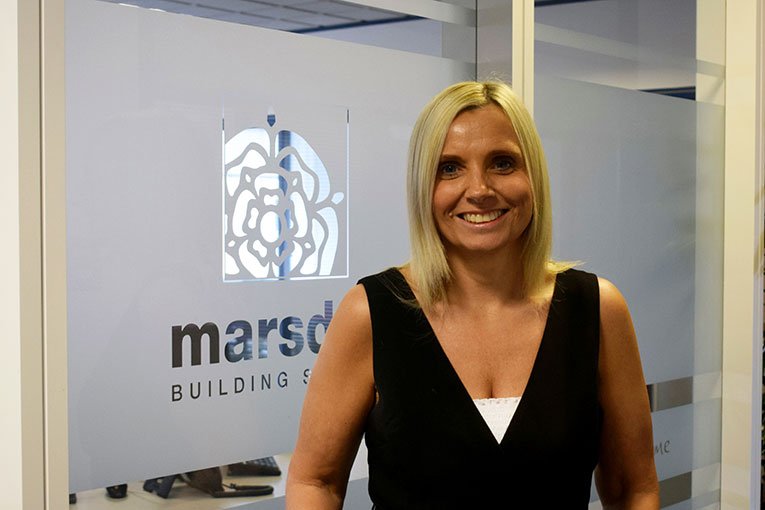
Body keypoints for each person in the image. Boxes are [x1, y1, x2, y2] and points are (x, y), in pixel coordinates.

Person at [286, 81, 659, 509]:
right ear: (423, 186)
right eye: (449, 168)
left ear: (534, 177)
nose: (479, 189)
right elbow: (316, 481)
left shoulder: (597, 310)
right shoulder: (370, 312)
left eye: (502, 163)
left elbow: (633, 488)